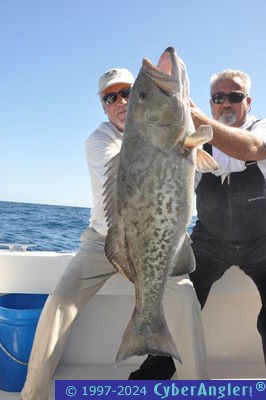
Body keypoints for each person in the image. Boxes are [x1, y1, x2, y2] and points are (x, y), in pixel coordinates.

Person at [20, 67, 209, 400]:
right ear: (104, 106)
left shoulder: (173, 132)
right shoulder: (98, 140)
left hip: (161, 238)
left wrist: (181, 135)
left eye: (128, 93)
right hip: (104, 240)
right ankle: (31, 395)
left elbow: (188, 178)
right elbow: (133, 176)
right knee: (58, 304)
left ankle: (199, 391)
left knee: (186, 304)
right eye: (111, 97)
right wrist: (175, 140)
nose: (121, 102)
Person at [133, 68, 266, 378]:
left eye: (234, 97)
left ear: (247, 100)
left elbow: (253, 149)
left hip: (263, 240)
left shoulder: (260, 128)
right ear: (211, 102)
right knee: (180, 303)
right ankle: (150, 379)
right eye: (218, 98)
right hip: (209, 240)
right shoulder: (191, 138)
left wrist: (192, 114)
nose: (226, 104)